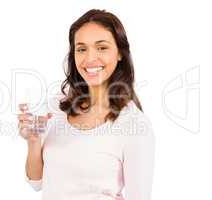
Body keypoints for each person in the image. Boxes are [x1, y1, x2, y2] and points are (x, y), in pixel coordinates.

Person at [17, 9, 155, 200]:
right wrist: (33, 142)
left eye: (102, 47)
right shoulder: (57, 107)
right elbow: (36, 182)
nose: (90, 58)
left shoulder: (134, 124)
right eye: (81, 49)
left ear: (120, 53)